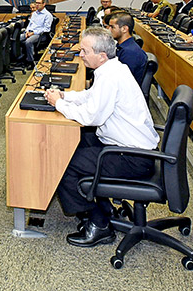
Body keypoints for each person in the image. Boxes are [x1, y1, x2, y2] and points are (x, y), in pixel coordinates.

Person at [44, 27, 158, 247]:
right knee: (74, 144)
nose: (81, 55)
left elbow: (91, 116)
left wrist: (58, 103)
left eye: (85, 51)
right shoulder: (112, 69)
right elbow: (90, 97)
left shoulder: (110, 76)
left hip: (132, 157)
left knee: (64, 162)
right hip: (126, 146)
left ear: (102, 56)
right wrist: (65, 96)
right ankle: (101, 208)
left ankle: (99, 223)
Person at [103, 11, 147, 88]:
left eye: (112, 27)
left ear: (124, 29)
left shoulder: (130, 53)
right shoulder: (123, 46)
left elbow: (121, 83)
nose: (109, 30)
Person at [21, 0, 54, 68]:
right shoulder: (34, 14)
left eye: (39, 3)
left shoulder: (48, 15)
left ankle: (31, 62)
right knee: (17, 39)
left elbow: (46, 29)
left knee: (28, 42)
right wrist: (27, 32)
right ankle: (21, 58)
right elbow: (29, 25)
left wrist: (33, 33)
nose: (37, 5)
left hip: (40, 35)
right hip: (30, 32)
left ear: (44, 4)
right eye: (36, 3)